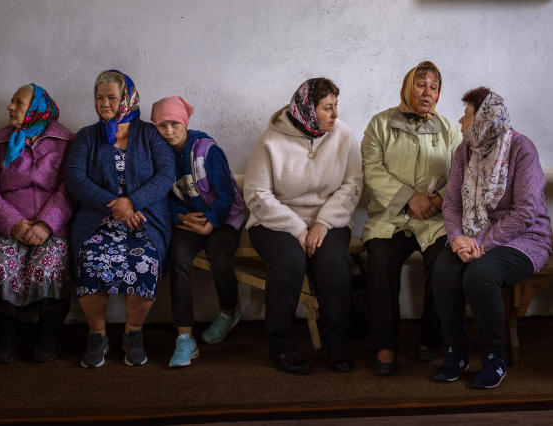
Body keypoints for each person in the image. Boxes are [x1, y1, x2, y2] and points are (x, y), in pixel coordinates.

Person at [432, 88, 551, 389]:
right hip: (472, 236)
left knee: (480, 274)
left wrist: (482, 242)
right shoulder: (465, 151)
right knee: (444, 271)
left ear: (486, 120)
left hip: (524, 237)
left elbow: (526, 212)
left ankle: (494, 357)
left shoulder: (522, 149)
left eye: (468, 115)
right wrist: (458, 238)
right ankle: (456, 351)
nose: (461, 121)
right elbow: (452, 204)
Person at [244, 78, 363, 375]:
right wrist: (296, 227)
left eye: (336, 106)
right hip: (275, 223)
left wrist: (323, 222)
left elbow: (353, 185)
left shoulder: (344, 135)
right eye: (327, 108)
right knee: (290, 261)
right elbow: (256, 193)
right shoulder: (271, 139)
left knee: (333, 263)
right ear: (308, 110)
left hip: (330, 220)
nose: (335, 114)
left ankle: (337, 341)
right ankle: (281, 345)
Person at [66, 70, 174, 369]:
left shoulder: (149, 134)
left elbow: (166, 175)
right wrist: (114, 205)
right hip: (99, 219)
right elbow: (75, 179)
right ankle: (97, 335)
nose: (104, 103)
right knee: (89, 257)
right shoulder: (87, 136)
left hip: (144, 219)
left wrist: (133, 202)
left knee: (146, 260)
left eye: (112, 97)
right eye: (99, 98)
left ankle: (133, 333)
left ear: (127, 98)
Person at [361, 61, 462, 375]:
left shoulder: (450, 129)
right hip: (390, 218)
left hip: (433, 218)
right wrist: (409, 200)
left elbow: (460, 173)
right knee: (380, 262)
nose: (427, 92)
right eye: (421, 84)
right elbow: (372, 169)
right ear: (408, 87)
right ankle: (385, 345)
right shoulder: (379, 124)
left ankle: (430, 339)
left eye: (433, 87)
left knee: (445, 262)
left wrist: (439, 200)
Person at [150, 96, 246, 368]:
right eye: (162, 125)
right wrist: (180, 216)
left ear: (185, 123)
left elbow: (226, 194)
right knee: (178, 259)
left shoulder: (206, 150)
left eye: (174, 124)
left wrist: (212, 221)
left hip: (223, 217)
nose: (169, 131)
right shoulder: (160, 154)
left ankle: (229, 311)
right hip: (189, 219)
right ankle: (184, 338)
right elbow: (162, 196)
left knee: (219, 258)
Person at [0, 84, 73, 364]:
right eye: (11, 102)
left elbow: (68, 189)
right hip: (9, 223)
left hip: (51, 225)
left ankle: (49, 335)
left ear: (36, 108)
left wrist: (46, 225)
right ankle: (6, 335)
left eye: (18, 103)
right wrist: (14, 224)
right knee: (1, 263)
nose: (11, 107)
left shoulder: (65, 141)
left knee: (48, 264)